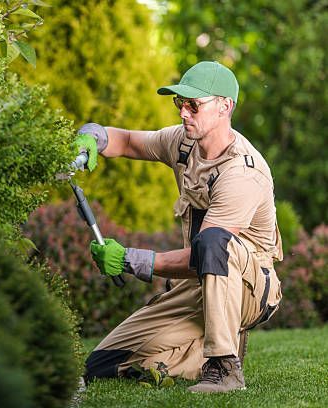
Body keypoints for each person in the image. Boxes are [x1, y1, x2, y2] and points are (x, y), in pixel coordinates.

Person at [75, 61, 283, 393]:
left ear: (224, 107)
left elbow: (206, 254)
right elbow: (127, 141)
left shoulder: (242, 171)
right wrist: (91, 137)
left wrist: (130, 259)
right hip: (197, 285)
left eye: (193, 105)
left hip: (250, 289)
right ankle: (198, 356)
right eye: (179, 103)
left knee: (214, 241)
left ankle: (224, 368)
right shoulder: (183, 143)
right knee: (102, 365)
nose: (184, 113)